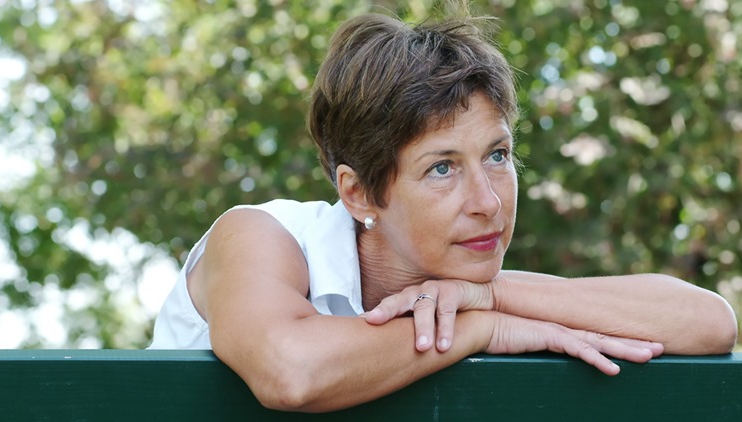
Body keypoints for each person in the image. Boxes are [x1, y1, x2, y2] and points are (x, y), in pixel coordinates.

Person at [149, 9, 738, 412]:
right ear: (359, 193)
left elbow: (710, 324)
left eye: (498, 156)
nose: (488, 203)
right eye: (442, 168)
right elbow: (292, 372)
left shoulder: (469, 284)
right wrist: (484, 327)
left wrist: (492, 297)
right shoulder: (258, 234)